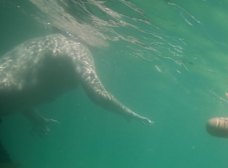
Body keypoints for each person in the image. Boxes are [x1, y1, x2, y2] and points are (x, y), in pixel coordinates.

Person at [0, 33, 153, 134]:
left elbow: (19, 84)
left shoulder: (46, 41)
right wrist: (126, 112)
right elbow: (96, 93)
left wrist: (37, 119)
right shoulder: (79, 49)